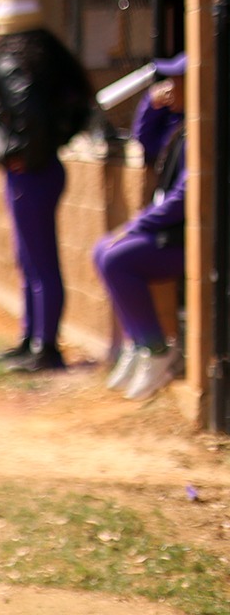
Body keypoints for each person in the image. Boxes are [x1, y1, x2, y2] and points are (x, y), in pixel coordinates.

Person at [0, 0, 94, 373]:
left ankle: (45, 347)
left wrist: (22, 154)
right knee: (31, 258)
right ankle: (32, 340)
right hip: (43, 170)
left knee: (38, 260)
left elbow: (28, 111)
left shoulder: (13, 56)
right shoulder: (48, 51)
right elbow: (75, 107)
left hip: (31, 174)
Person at [94, 52, 187, 399]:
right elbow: (144, 144)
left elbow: (184, 198)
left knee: (118, 259)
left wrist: (137, 227)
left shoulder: (203, 129)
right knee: (102, 249)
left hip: (189, 239)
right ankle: (141, 343)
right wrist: (151, 105)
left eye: (177, 80)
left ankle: (158, 352)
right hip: (170, 230)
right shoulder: (180, 122)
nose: (167, 87)